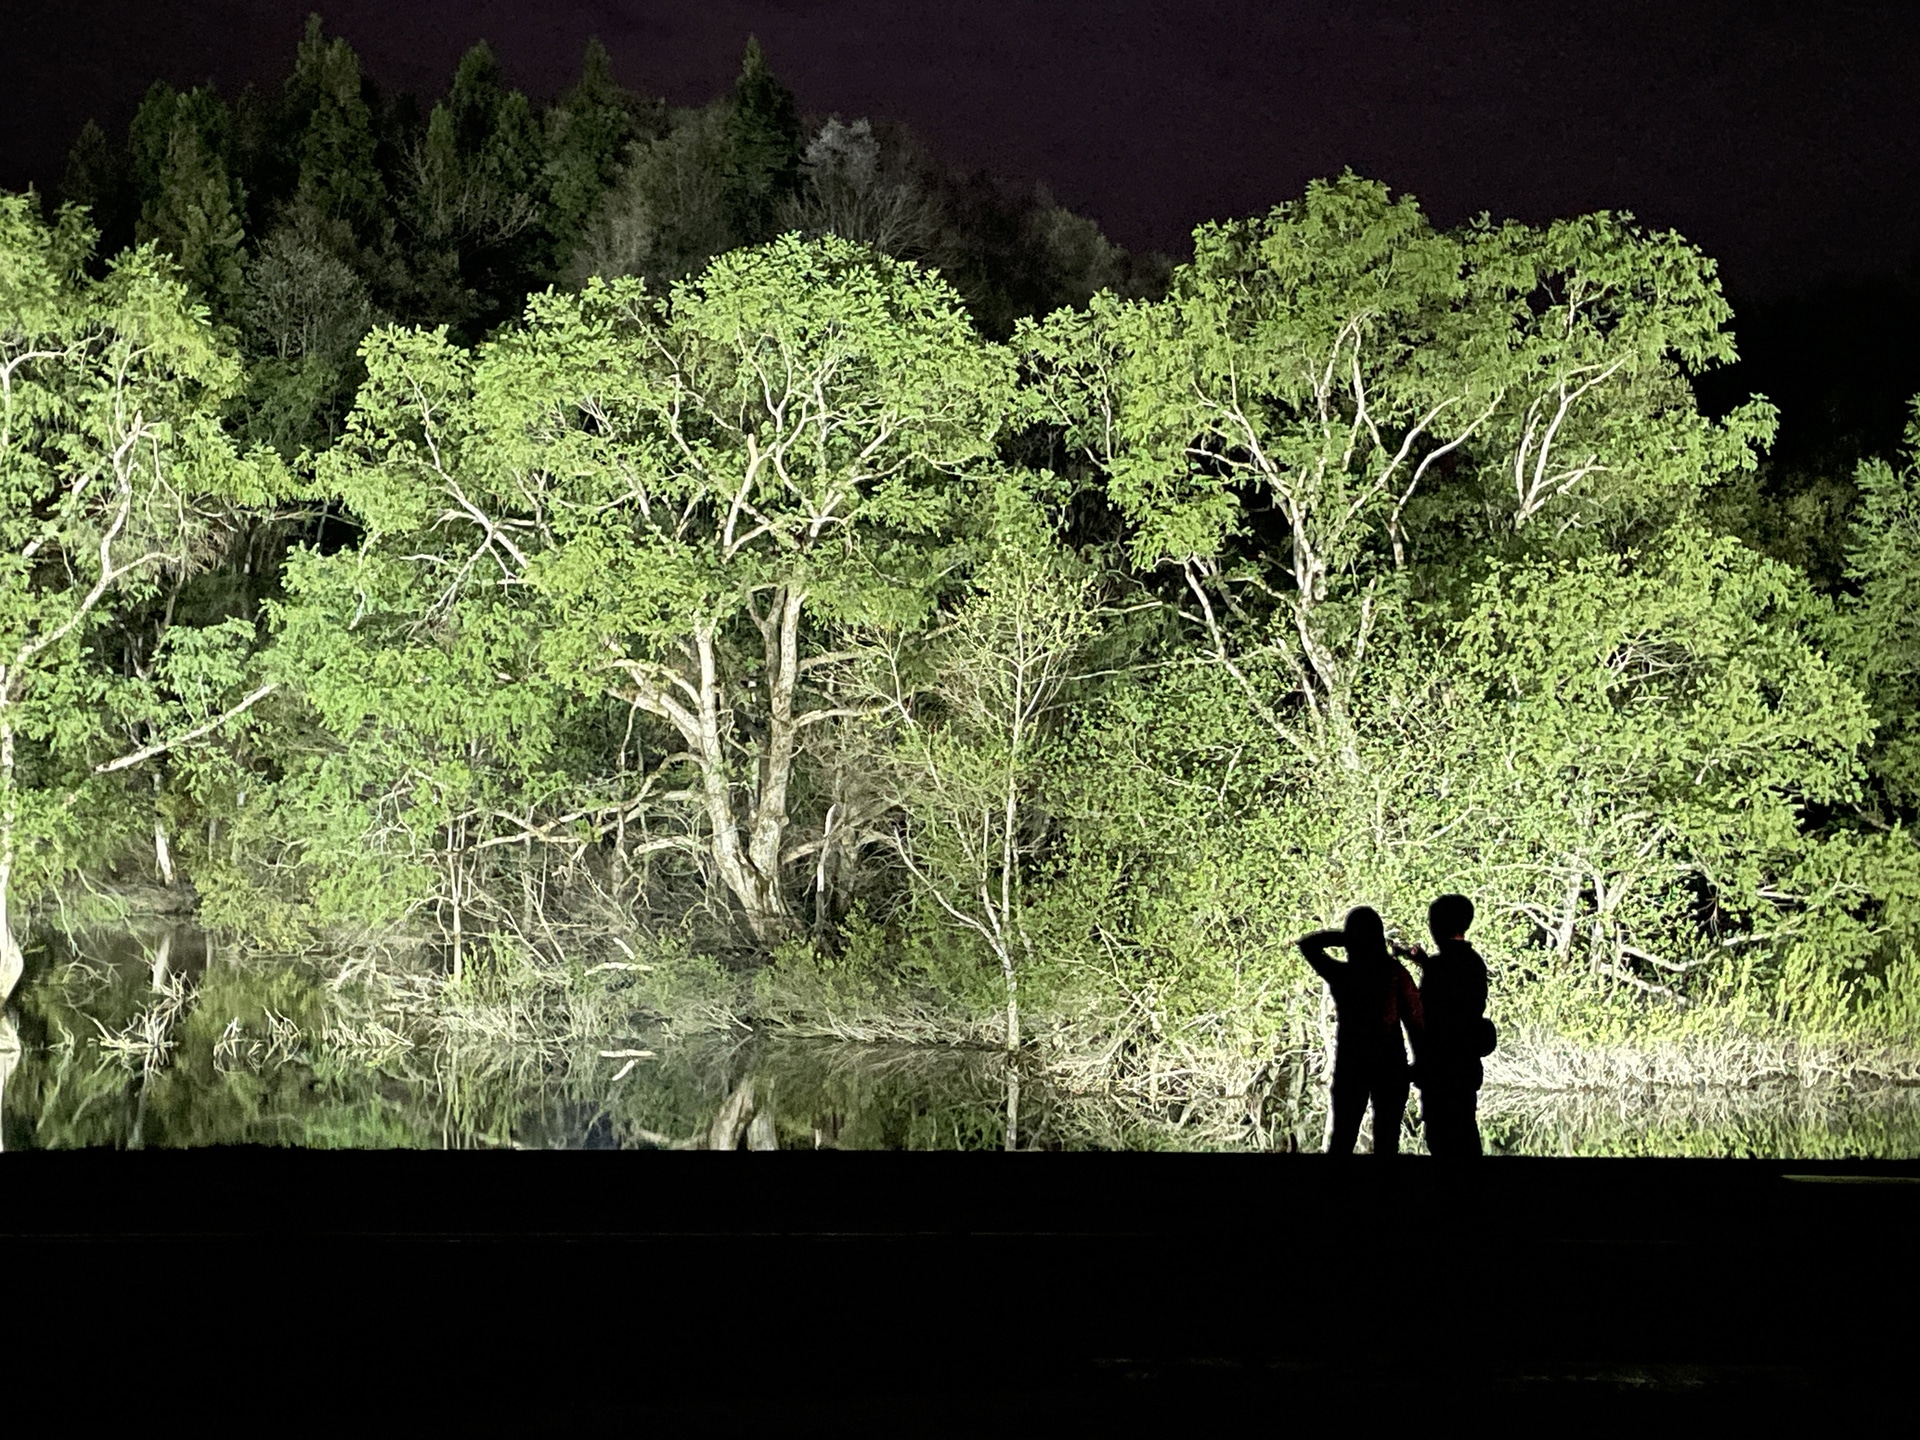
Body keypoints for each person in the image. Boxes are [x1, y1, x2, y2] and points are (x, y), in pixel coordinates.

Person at [1298, 907, 1423, 1155]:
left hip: (1353, 1064)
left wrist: (1345, 938)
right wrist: (1418, 1062)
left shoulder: (1344, 974)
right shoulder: (1394, 973)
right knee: (1387, 1142)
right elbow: (1415, 1021)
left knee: (1343, 1138)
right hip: (1390, 1064)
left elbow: (1308, 945)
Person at [1400, 893, 1491, 1157]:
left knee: (1442, 1137)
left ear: (1438, 925)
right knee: (1464, 1130)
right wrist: (1426, 963)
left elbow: (1431, 1015)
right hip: (1465, 1065)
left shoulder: (1440, 967)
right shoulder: (1473, 963)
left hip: (1440, 1067)